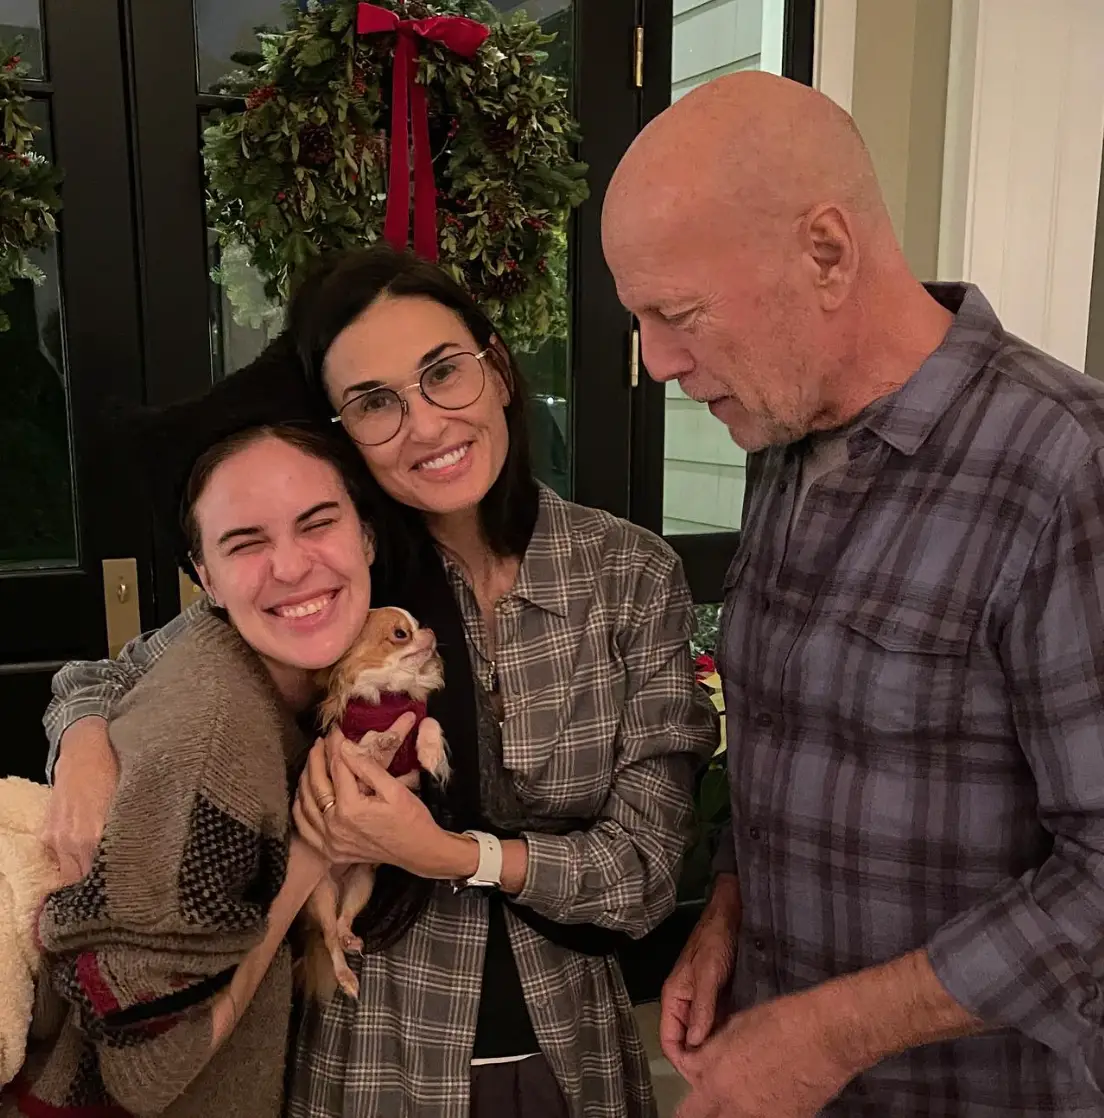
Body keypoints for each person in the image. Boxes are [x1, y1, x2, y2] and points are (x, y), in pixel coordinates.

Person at [40, 246, 718, 1118]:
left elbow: (649, 869)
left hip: (569, 1046)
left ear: (499, 370)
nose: (426, 425)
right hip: (370, 1058)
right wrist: (85, 752)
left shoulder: (627, 574)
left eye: (444, 374)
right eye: (375, 403)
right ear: (343, 430)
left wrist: (450, 855)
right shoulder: (337, 587)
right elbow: (101, 678)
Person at [601, 68, 1104, 1118]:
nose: (654, 361)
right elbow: (795, 734)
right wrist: (729, 906)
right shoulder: (785, 436)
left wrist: (829, 1031)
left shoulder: (1066, 468)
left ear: (825, 252)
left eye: (678, 312)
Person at [4, 422, 403, 1116]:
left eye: (317, 524)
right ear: (205, 578)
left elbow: (105, 673)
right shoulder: (215, 738)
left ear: (367, 536)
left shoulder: (270, 651)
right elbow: (149, 1068)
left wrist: (85, 733)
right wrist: (313, 849)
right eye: (246, 543)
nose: (289, 566)